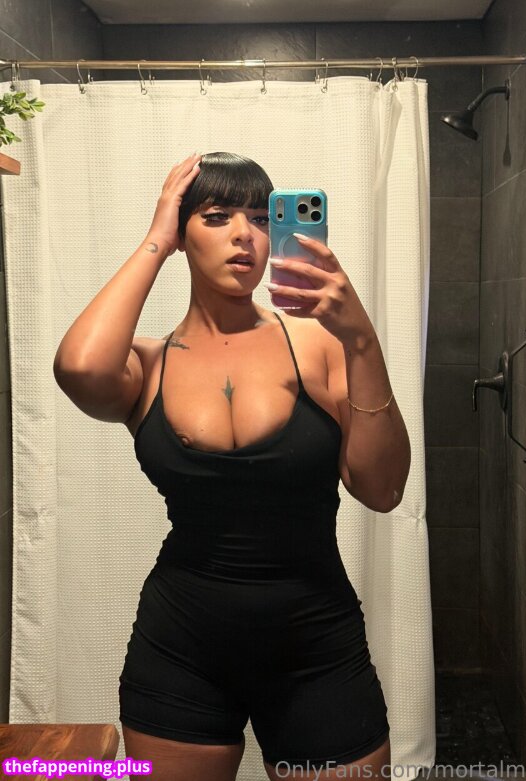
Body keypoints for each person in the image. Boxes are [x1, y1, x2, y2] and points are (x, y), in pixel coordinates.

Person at [53, 151, 411, 781]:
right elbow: (79, 367)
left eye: (260, 218)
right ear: (182, 233)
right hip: (180, 648)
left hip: (317, 649)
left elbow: (382, 490)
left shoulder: (322, 346)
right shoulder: (147, 365)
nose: (245, 235)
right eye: (217, 216)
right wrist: (155, 240)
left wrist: (361, 339)